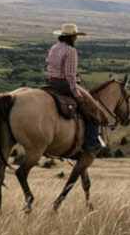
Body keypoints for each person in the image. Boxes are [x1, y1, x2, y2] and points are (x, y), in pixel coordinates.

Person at [45, 23, 106, 152]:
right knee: (93, 108)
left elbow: (50, 65)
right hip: (64, 85)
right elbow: (69, 76)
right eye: (75, 36)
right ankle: (92, 141)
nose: (76, 39)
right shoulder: (71, 51)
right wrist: (76, 94)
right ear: (72, 37)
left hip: (50, 83)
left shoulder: (53, 48)